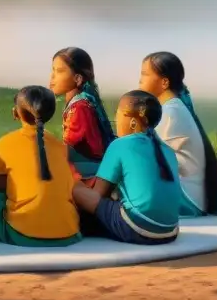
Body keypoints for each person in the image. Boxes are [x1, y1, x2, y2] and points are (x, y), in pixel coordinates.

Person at [0, 86, 81, 246]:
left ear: (15, 113)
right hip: (69, 233)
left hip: (21, 234)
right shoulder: (60, 147)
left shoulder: (6, 143)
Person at [72, 90, 181, 245]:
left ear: (133, 122)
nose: (116, 119)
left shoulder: (120, 145)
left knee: (76, 188)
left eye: (119, 113)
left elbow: (97, 196)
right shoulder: (167, 150)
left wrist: (76, 182)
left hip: (138, 228)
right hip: (170, 231)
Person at [141, 51, 217, 216]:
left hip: (186, 197)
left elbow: (149, 157)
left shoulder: (170, 113)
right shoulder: (171, 107)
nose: (140, 80)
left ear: (164, 82)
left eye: (145, 74)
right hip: (185, 189)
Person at [50, 47, 115, 183]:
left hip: (90, 170)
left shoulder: (80, 108)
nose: (52, 77)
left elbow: (68, 147)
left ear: (78, 78)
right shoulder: (81, 101)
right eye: (53, 70)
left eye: (60, 71)